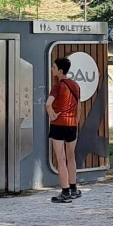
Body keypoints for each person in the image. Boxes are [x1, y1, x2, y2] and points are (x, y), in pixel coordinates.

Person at [46, 57, 81, 203]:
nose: (52, 69)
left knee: (61, 158)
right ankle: (73, 188)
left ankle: (65, 191)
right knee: (71, 157)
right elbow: (78, 106)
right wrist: (75, 122)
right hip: (72, 124)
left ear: (60, 70)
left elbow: (48, 104)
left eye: (54, 67)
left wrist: (53, 116)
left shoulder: (57, 86)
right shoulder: (75, 85)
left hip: (58, 124)